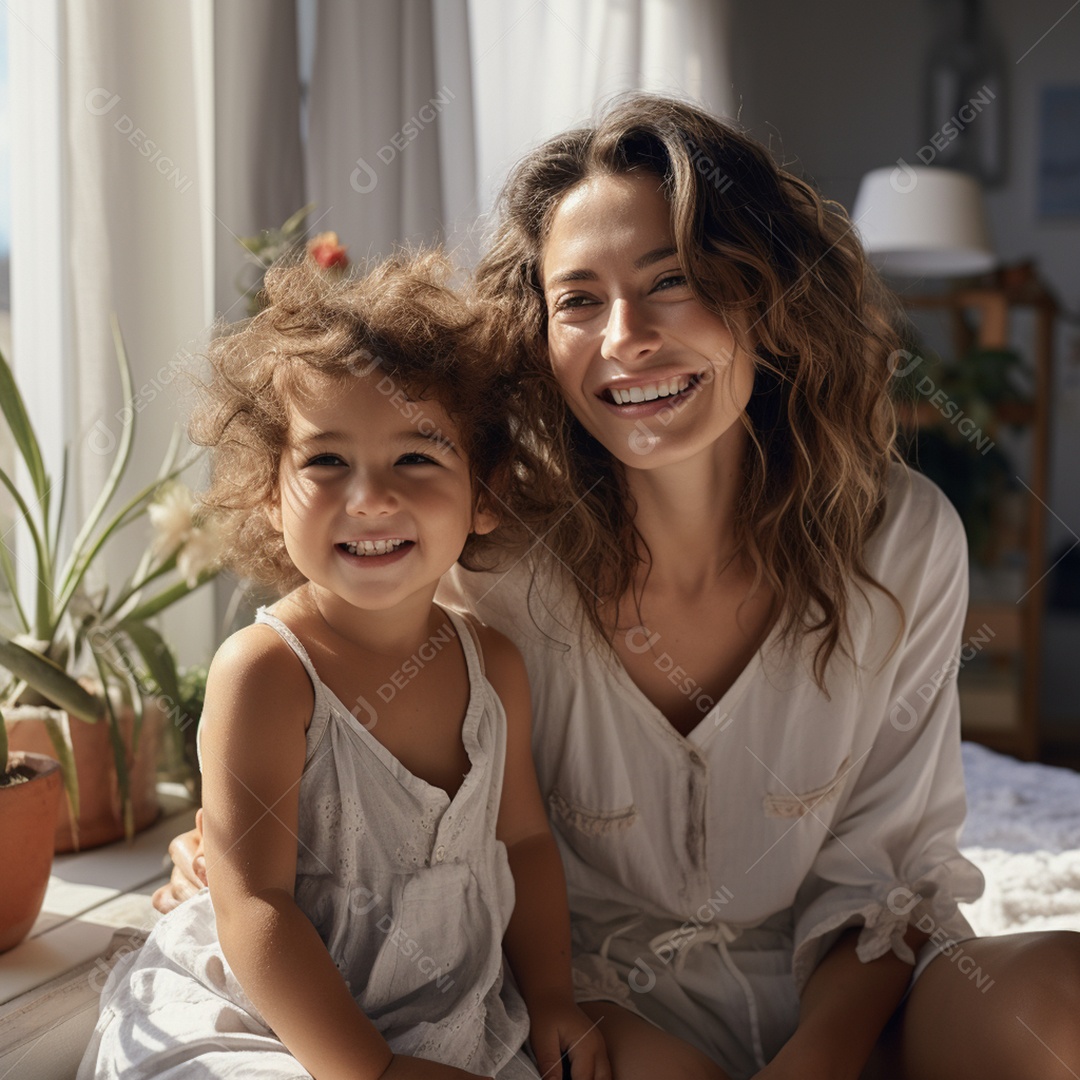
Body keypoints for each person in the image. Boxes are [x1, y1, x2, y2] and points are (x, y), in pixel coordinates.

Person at [154, 95, 1080, 1080]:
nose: (625, 337)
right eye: (580, 300)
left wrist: (817, 1061)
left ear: (765, 299)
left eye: (671, 281)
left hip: (847, 999)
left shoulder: (901, 540)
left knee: (1059, 995)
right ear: (538, 334)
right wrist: (229, 842)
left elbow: (892, 871)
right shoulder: (486, 556)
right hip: (597, 1011)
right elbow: (367, 758)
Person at [79, 252, 610, 1080]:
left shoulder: (493, 665)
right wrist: (373, 1071)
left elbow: (526, 843)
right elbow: (254, 904)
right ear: (268, 492)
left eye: (417, 458)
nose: (369, 498)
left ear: (485, 494)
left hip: (442, 1015)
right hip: (271, 1026)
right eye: (326, 462)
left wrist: (551, 999)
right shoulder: (267, 672)